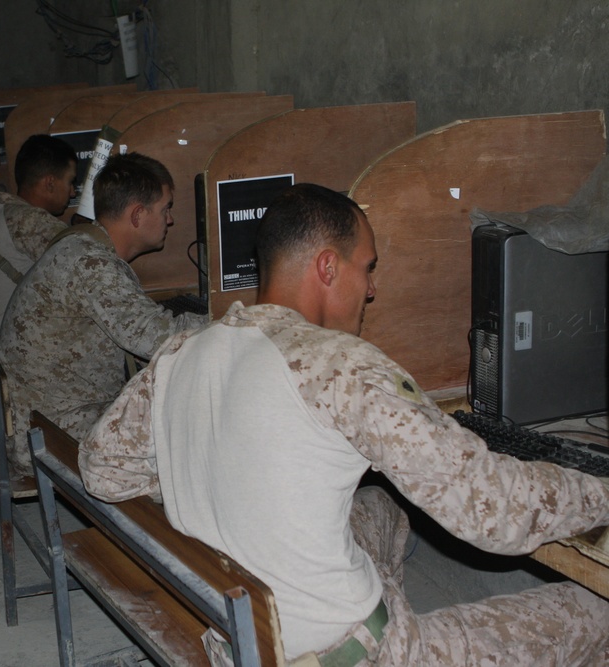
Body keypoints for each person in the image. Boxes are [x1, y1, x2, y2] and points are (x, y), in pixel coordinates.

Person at [79, 183, 609, 666]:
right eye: (368, 267)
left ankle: (373, 596)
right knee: (593, 613)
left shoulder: (180, 352)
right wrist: (600, 491)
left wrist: (215, 483)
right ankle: (395, 632)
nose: (372, 289)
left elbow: (102, 468)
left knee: (385, 508)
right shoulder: (342, 367)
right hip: (343, 654)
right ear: (328, 268)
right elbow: (493, 511)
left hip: (236, 632)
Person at [0, 152, 207, 476]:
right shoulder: (91, 263)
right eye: (165, 208)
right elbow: (160, 339)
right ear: (137, 215)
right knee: (199, 427)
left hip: (46, 416)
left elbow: (140, 324)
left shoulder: (84, 245)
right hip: (53, 432)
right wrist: (235, 316)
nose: (170, 220)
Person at [0, 134, 77, 341]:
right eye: (70, 182)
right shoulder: (29, 220)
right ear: (50, 183)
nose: (72, 193)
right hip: (1, 347)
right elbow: (87, 261)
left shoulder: (10, 212)